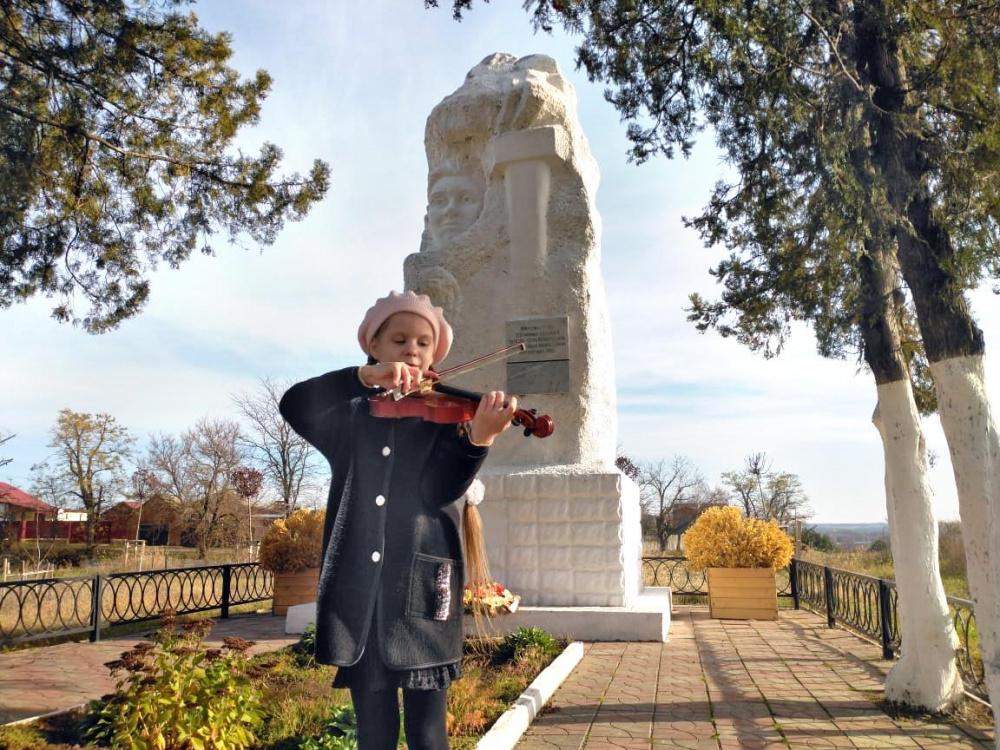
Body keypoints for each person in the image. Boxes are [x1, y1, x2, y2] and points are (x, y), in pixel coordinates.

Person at [279, 290, 517, 750]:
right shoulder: (348, 417)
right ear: (374, 347)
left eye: (424, 342)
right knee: (374, 736)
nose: (413, 348)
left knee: (429, 736)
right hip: (360, 603)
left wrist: (479, 439)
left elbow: (441, 491)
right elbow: (294, 404)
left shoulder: (442, 420)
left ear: (434, 356)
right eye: (400, 339)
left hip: (423, 596)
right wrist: (360, 378)